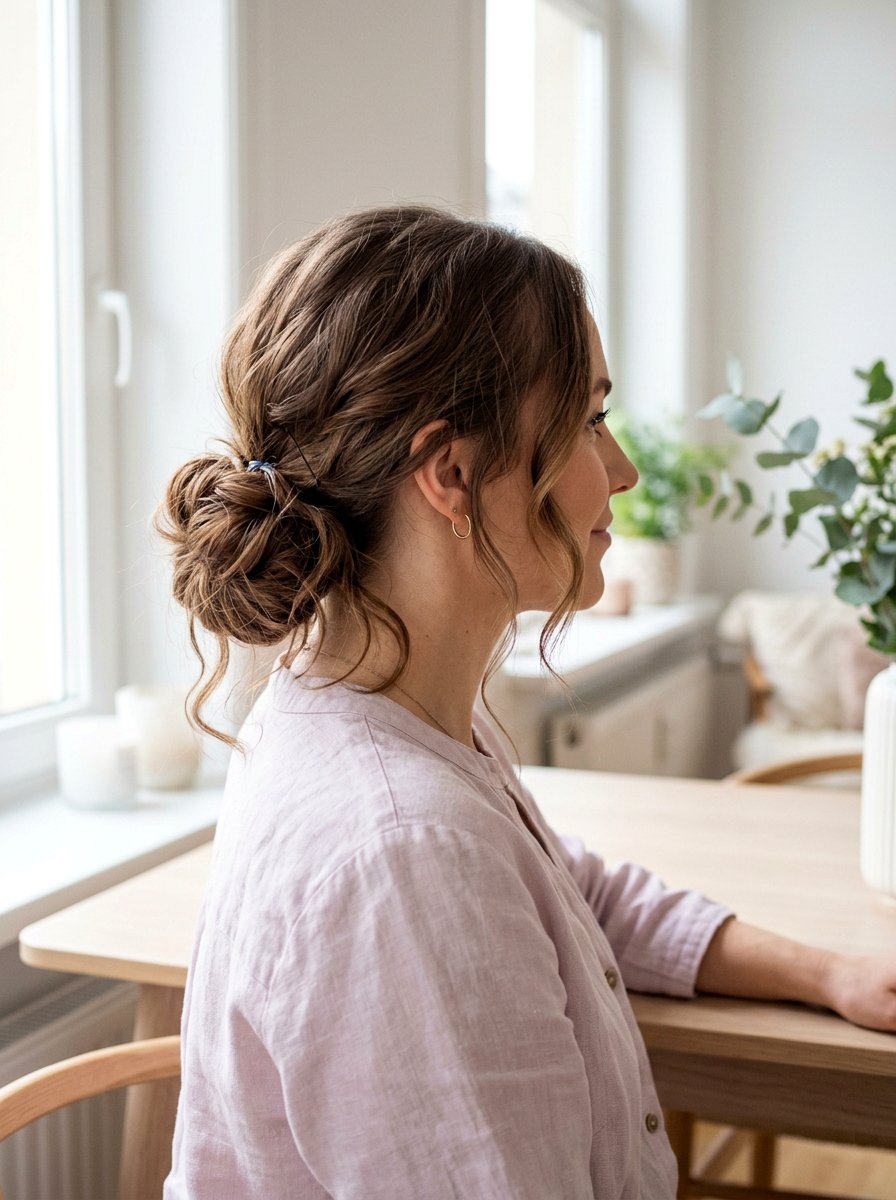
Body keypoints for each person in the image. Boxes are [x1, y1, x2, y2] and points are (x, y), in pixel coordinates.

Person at [159, 206, 896, 1200]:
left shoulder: (369, 710)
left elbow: (567, 893)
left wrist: (824, 973)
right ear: (452, 474)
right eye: (590, 421)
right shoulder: (401, 848)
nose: (623, 471)